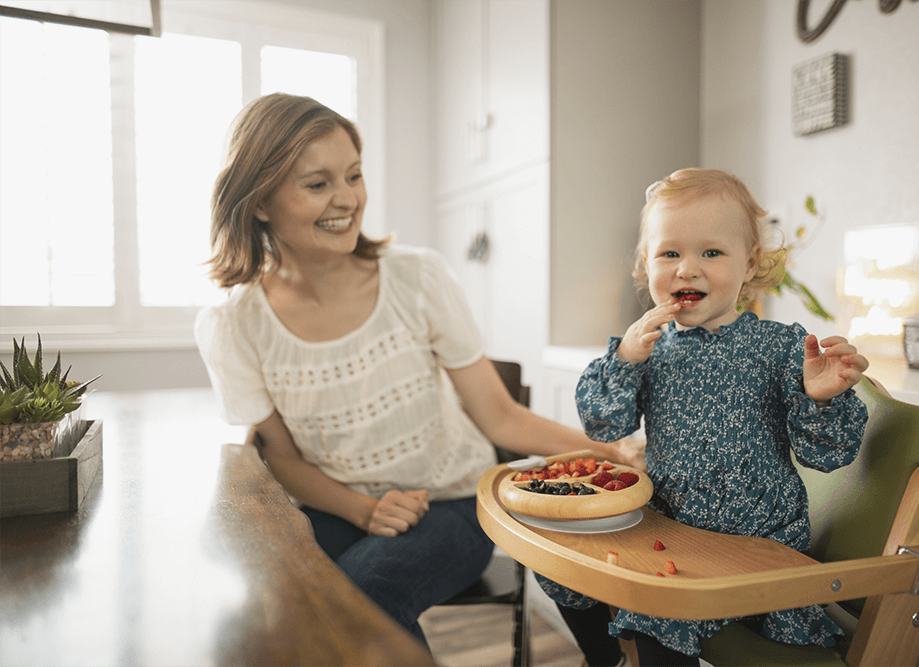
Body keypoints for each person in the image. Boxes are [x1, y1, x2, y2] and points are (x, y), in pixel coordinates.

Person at [194, 93, 643, 647]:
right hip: (337, 508)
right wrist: (364, 509)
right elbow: (283, 460)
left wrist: (608, 453)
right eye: (317, 184)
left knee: (360, 602)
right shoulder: (233, 324)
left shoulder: (417, 278)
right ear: (260, 202)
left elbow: (499, 417)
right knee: (273, 614)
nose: (347, 199)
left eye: (353, 176)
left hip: (451, 504)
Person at [536, 168, 869, 666]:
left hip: (758, 539)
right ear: (646, 264)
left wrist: (820, 397)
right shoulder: (648, 351)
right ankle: (610, 659)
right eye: (669, 253)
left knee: (658, 617)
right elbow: (604, 426)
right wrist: (624, 361)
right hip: (671, 526)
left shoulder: (779, 348)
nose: (686, 269)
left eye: (710, 252)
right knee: (559, 568)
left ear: (750, 261)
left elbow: (828, 454)